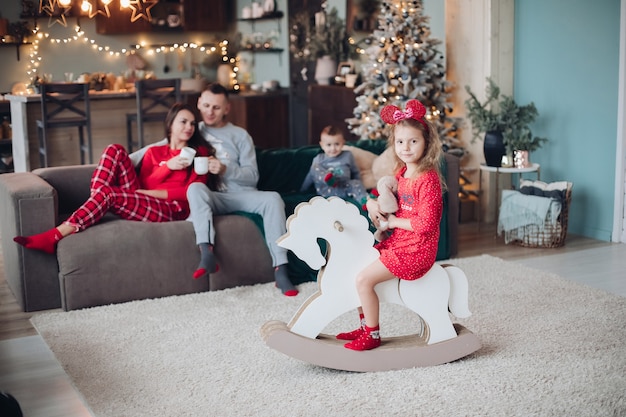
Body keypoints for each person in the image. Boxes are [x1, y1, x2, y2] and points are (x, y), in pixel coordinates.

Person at [131, 83, 297, 295]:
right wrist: (124, 162)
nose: (210, 112)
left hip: (240, 195)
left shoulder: (240, 135)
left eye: (216, 108)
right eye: (206, 105)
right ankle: (206, 253)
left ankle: (281, 269)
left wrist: (225, 169)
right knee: (195, 188)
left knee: (273, 198)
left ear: (227, 108)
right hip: (210, 197)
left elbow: (253, 176)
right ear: (199, 103)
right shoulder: (191, 129)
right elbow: (157, 147)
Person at [14, 103, 220, 255]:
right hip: (142, 197)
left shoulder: (198, 153)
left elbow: (193, 192)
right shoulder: (154, 152)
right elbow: (146, 181)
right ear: (170, 124)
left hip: (172, 208)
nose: (189, 127)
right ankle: (95, 206)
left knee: (109, 194)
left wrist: (145, 193)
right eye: (183, 122)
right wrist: (168, 167)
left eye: (192, 123)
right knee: (115, 149)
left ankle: (57, 234)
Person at [336, 99, 445, 351]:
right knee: (356, 267)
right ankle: (364, 325)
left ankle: (372, 334)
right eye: (400, 142)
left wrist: (394, 221)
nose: (405, 147)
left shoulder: (427, 179)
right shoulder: (402, 174)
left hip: (417, 249)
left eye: (413, 141)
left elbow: (427, 223)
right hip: (399, 241)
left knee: (363, 279)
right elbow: (390, 202)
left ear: (426, 143)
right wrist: (374, 206)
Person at [300, 125, 368, 203]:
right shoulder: (319, 158)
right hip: (325, 191)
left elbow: (355, 172)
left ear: (343, 143)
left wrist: (359, 185)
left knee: (356, 183)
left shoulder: (348, 155)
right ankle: (328, 178)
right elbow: (310, 176)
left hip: (343, 187)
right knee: (314, 168)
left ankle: (365, 200)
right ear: (322, 145)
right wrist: (303, 190)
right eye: (329, 145)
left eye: (337, 144)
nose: (333, 148)